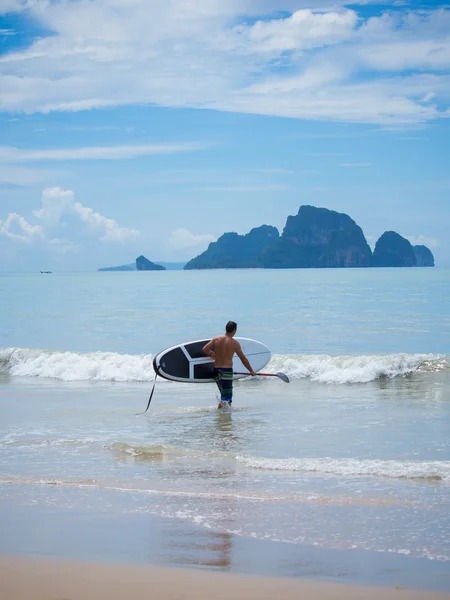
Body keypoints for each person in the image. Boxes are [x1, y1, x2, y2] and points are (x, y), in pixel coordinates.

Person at [202, 321, 257, 408]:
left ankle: (221, 417)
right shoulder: (234, 343)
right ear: (234, 330)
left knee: (224, 396)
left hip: (216, 371)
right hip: (226, 372)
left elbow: (205, 349)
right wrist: (251, 371)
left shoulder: (216, 339)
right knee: (227, 399)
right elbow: (243, 358)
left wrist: (212, 354)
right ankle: (223, 418)